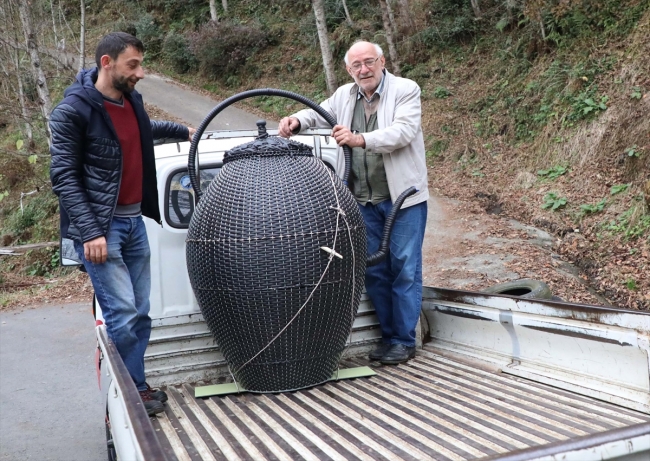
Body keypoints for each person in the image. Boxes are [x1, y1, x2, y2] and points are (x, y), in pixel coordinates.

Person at [49, 32, 195, 416]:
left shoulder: (131, 101)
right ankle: (132, 393)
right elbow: (63, 176)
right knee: (122, 314)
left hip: (133, 224)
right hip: (102, 229)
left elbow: (143, 130)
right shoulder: (73, 112)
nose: (141, 73)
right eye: (133, 65)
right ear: (107, 63)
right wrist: (90, 232)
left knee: (141, 311)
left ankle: (138, 386)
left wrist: (183, 131)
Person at [279, 41, 429, 365]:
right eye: (356, 65)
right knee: (374, 271)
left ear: (382, 61)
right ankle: (389, 338)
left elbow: (403, 132)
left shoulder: (405, 89)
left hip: (403, 200)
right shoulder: (345, 95)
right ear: (349, 70)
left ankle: (404, 340)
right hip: (363, 201)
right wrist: (296, 121)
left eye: (369, 62)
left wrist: (361, 139)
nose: (363, 69)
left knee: (405, 269)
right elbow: (318, 113)